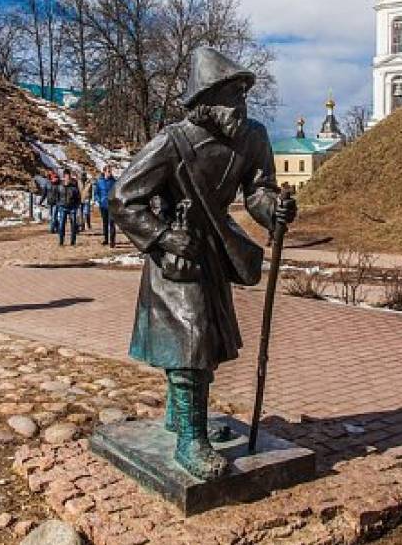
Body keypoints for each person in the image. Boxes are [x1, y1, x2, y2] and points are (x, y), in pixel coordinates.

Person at [109, 47, 296, 480]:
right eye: (232, 97)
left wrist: (274, 209)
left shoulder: (253, 137)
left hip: (214, 255)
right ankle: (191, 440)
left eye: (243, 97)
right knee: (191, 338)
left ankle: (180, 416)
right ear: (205, 100)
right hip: (176, 257)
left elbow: (258, 189)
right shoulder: (172, 142)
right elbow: (122, 197)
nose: (241, 107)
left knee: (204, 341)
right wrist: (161, 234)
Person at [56, 170, 82, 246]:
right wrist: (59, 204)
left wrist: (76, 206)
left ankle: (73, 241)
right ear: (64, 177)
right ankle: (61, 241)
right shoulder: (60, 186)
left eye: (69, 177)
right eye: (66, 177)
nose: (68, 178)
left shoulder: (74, 187)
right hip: (62, 207)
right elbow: (57, 196)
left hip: (72, 208)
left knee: (73, 225)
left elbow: (78, 197)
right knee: (61, 225)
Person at [93, 166, 117, 247]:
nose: (110, 173)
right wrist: (98, 200)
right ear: (104, 172)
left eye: (110, 171)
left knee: (112, 223)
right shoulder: (100, 182)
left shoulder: (114, 182)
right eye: (108, 171)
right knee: (105, 223)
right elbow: (96, 193)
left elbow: (117, 192)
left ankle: (112, 241)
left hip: (112, 205)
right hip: (103, 205)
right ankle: (106, 239)